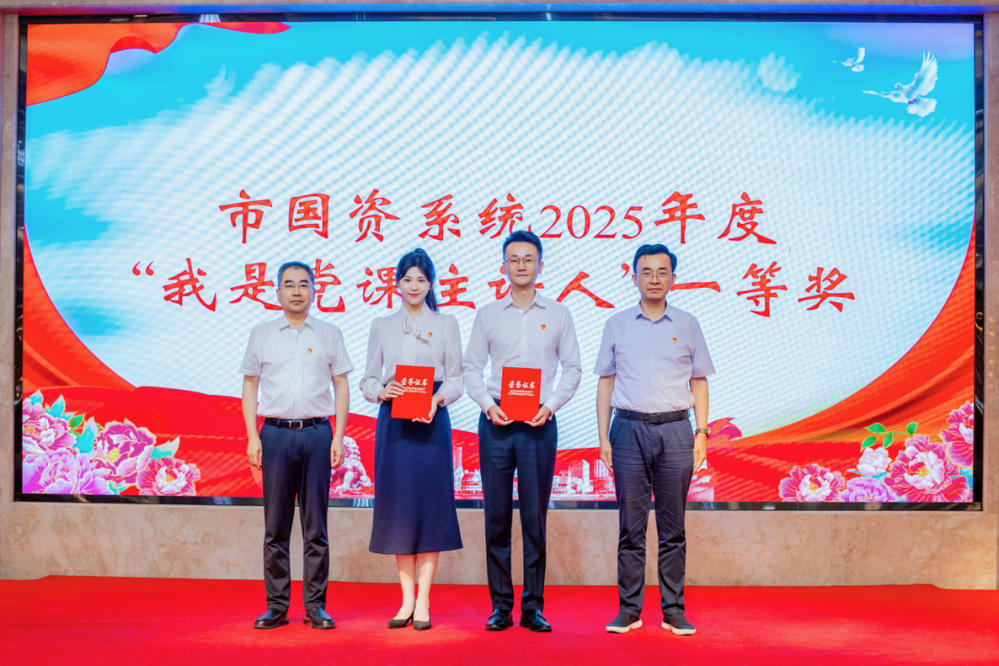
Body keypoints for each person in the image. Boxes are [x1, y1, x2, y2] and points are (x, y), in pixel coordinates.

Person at [463, 230, 581, 633]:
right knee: (496, 518)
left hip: (539, 424)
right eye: (513, 259)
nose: (521, 266)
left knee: (534, 519)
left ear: (540, 265)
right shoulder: (488, 314)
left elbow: (573, 368)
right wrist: (488, 405)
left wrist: (551, 405)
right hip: (496, 424)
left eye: (528, 259)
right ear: (504, 267)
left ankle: (533, 607)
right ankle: (500, 606)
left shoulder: (559, 314)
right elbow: (470, 367)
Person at [595, 243, 714, 636]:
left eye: (662, 272)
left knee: (672, 527)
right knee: (630, 528)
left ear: (673, 278)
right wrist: (603, 436)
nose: (654, 279)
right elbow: (605, 383)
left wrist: (701, 432)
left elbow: (699, 381)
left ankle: (673, 610)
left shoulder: (688, 324)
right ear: (634, 278)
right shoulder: (616, 324)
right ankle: (629, 610)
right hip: (627, 430)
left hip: (676, 430)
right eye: (646, 272)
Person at [240, 261, 352, 630]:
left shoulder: (330, 333)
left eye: (303, 284)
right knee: (276, 527)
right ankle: (276, 607)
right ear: (278, 292)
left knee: (315, 527)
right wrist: (252, 436)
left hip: (318, 434)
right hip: (274, 434)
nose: (296, 291)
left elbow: (341, 385)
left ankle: (315, 607)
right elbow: (250, 386)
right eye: (289, 285)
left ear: (314, 290)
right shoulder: (262, 334)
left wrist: (338, 436)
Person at [361, 248, 463, 631]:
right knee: (400, 508)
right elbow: (369, 378)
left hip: (432, 419)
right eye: (407, 280)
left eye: (421, 280)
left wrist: (437, 400)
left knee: (429, 507)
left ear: (431, 284)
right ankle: (405, 601)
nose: (414, 286)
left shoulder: (447, 323)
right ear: (397, 284)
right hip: (394, 422)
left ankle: (424, 601)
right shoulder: (382, 324)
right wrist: (380, 391)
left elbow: (456, 378)